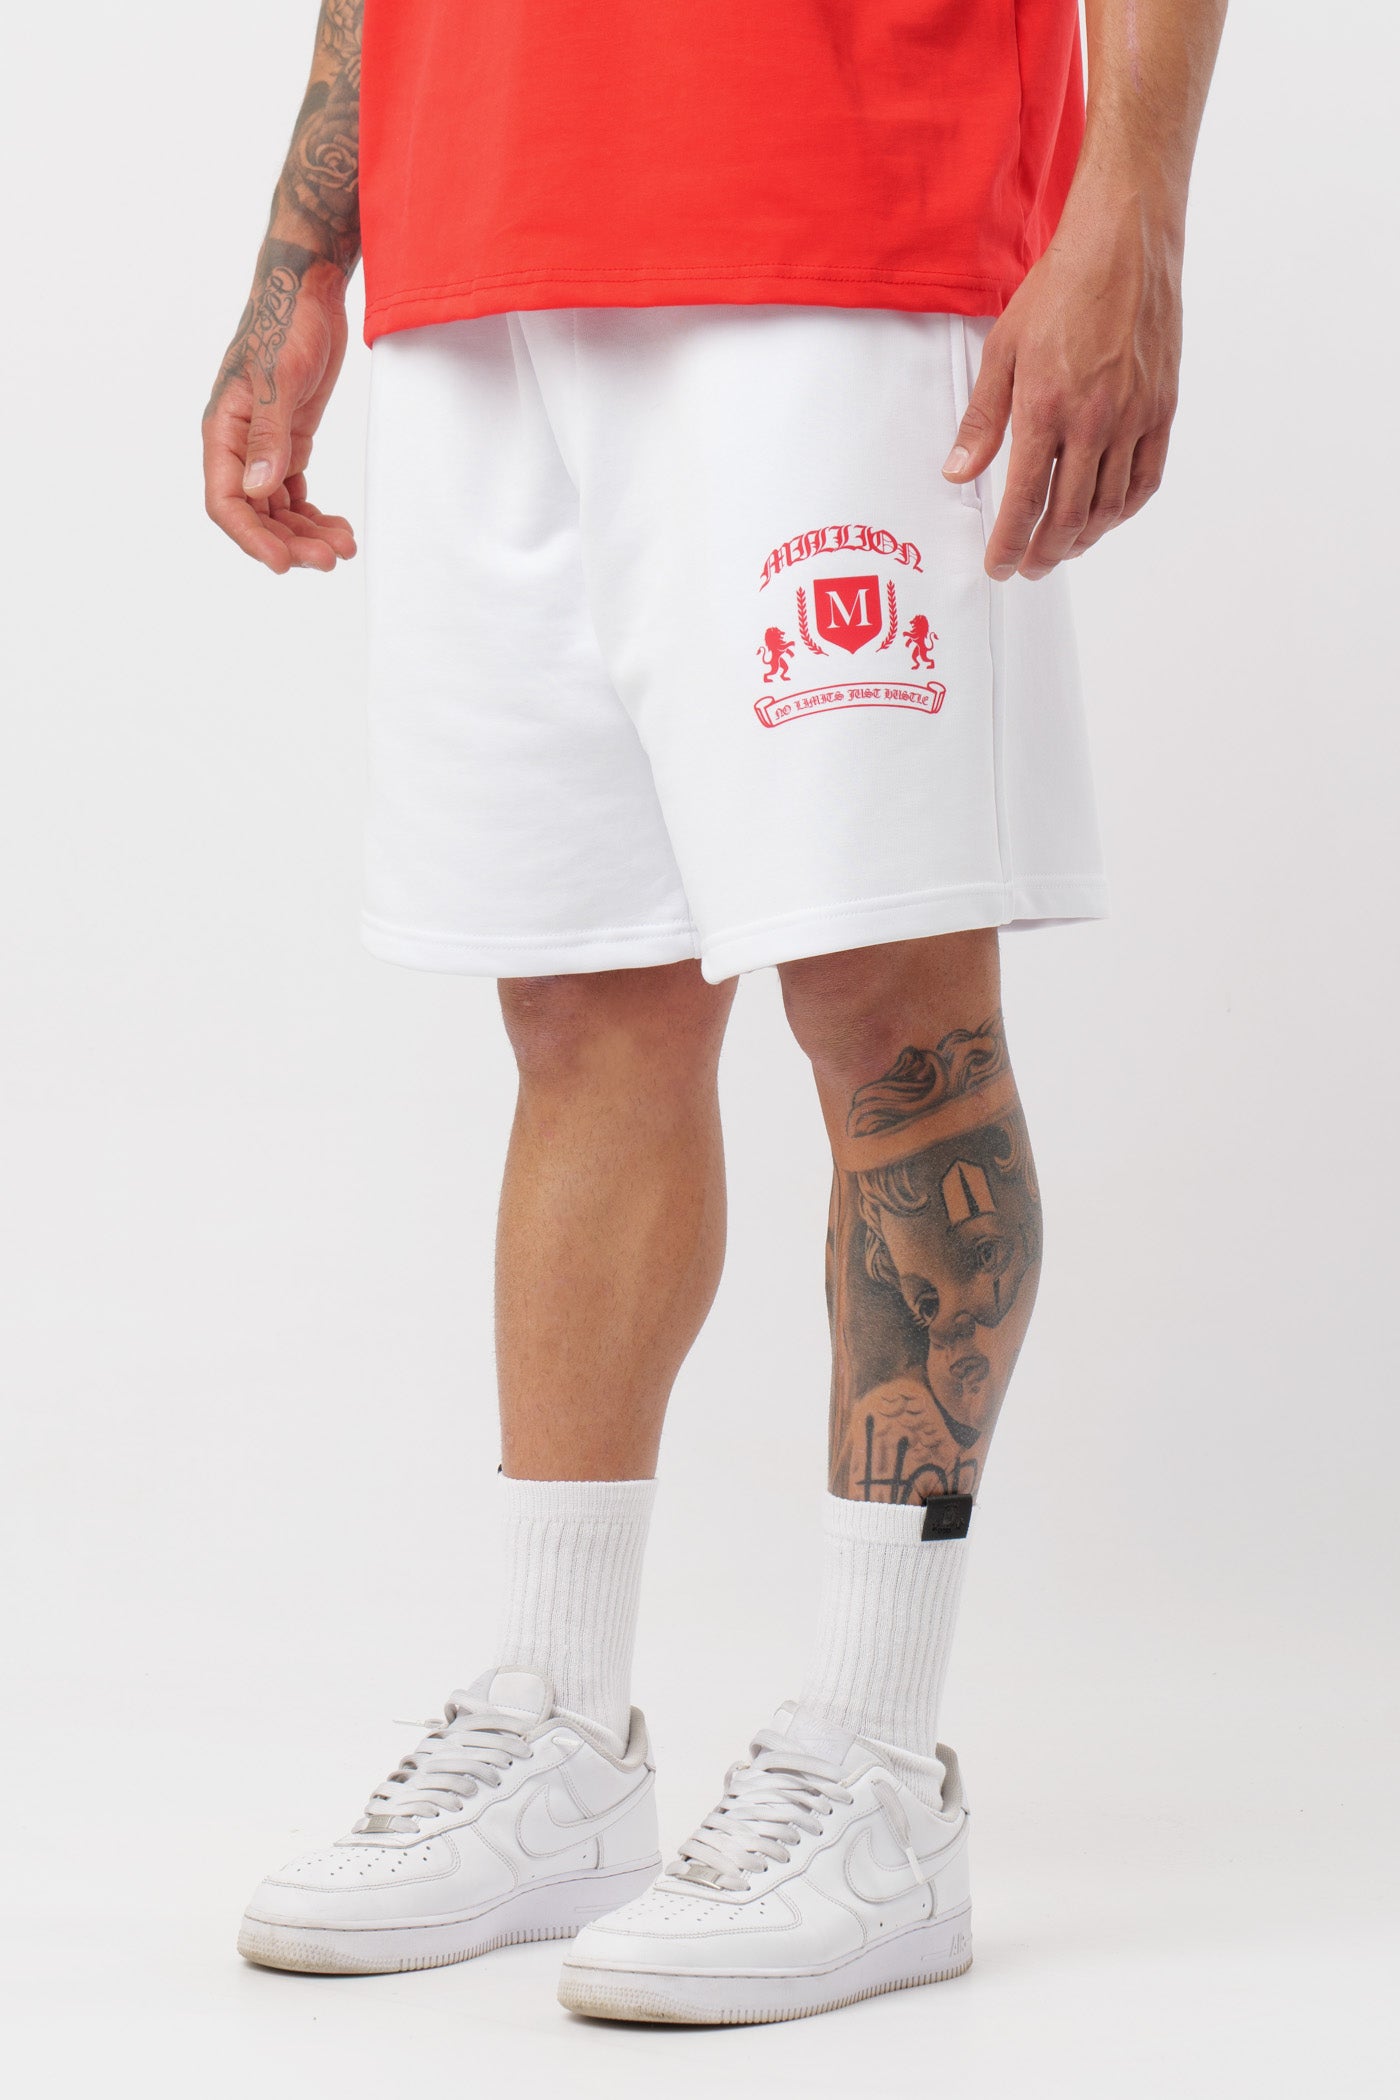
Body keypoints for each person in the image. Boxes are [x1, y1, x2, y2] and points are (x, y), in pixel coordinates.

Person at [204, 0, 1226, 2026]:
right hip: (476, 240)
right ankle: (560, 1736)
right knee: (579, 1002)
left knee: (891, 1012)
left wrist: (1135, 209)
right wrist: (300, 258)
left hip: (840, 222)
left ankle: (878, 1766)